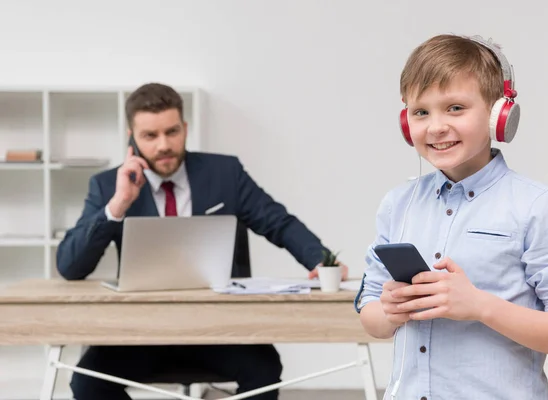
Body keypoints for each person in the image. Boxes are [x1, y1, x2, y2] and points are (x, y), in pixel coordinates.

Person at [56, 82, 348, 400]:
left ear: (185, 128)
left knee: (264, 369)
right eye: (150, 136)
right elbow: (70, 266)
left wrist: (321, 260)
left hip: (218, 326)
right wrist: (119, 204)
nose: (163, 145)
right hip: (142, 331)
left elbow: (277, 222)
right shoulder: (107, 186)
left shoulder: (225, 173)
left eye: (172, 132)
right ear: (132, 137)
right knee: (86, 382)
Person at [354, 34, 548, 400]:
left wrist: (479, 306)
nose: (435, 126)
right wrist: (390, 311)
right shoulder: (396, 204)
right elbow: (371, 316)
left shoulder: (537, 206)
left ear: (499, 115)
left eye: (455, 108)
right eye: (421, 112)